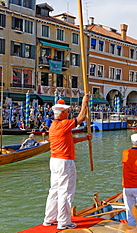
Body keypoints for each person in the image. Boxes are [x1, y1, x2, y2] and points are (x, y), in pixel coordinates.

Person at [43, 96, 91, 230]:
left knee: (54, 190)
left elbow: (69, 141)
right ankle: (63, 221)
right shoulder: (63, 124)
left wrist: (84, 138)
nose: (69, 114)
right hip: (64, 161)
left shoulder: (54, 126)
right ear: (62, 113)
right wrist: (84, 103)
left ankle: (50, 218)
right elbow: (81, 118)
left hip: (55, 161)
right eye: (67, 112)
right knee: (65, 191)